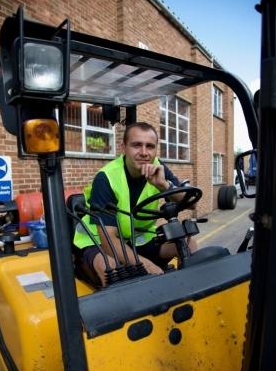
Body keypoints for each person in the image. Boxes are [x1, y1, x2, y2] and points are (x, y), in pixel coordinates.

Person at [74, 121, 197, 286]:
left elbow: (191, 204)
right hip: (98, 241)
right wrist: (145, 264)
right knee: (111, 270)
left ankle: (192, 293)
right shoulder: (106, 178)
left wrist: (163, 185)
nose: (144, 152)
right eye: (137, 145)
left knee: (188, 243)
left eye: (150, 146)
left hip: (138, 239)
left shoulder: (158, 168)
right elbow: (108, 238)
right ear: (123, 147)